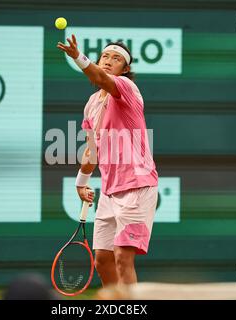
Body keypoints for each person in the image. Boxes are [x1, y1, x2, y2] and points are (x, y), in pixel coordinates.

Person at [57, 35, 158, 286]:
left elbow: (100, 78)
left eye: (116, 59)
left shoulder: (126, 87)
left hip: (138, 186)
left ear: (125, 70)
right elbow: (93, 150)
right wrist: (81, 182)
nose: (108, 61)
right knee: (102, 260)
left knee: (123, 257)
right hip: (110, 193)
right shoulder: (91, 104)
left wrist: (78, 57)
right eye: (105, 56)